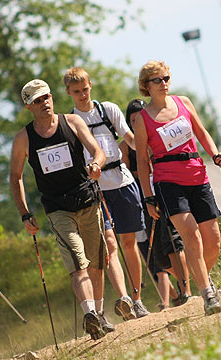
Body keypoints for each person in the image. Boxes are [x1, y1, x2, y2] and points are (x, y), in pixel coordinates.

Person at [11, 79, 111, 340]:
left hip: (87, 200)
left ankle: (99, 315)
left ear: (52, 97)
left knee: (97, 263)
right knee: (78, 264)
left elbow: (97, 151)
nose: (43, 103)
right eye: (37, 100)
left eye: (46, 97)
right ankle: (89, 313)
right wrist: (25, 212)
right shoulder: (24, 138)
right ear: (29, 107)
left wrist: (97, 166)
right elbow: (15, 177)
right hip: (57, 209)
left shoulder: (73, 122)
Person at [133, 60, 221, 316]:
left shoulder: (183, 102)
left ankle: (203, 279)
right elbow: (142, 160)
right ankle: (207, 293)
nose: (164, 83)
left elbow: (202, 131)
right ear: (146, 86)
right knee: (191, 235)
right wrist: (148, 196)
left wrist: (216, 154)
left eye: (166, 78)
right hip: (168, 181)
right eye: (157, 80)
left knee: (214, 240)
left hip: (197, 174)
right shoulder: (142, 119)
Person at [64, 68, 149, 319]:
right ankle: (124, 299)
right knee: (108, 244)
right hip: (95, 189)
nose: (82, 95)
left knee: (129, 242)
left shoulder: (108, 109)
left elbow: (129, 138)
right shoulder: (69, 121)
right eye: (76, 91)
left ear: (90, 85)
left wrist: (147, 155)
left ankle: (137, 299)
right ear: (68, 92)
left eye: (85, 89)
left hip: (121, 181)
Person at [122, 99, 191, 309]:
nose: (137, 124)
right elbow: (126, 172)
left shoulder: (155, 137)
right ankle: (183, 284)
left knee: (173, 241)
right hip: (142, 199)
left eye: (140, 119)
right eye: (133, 121)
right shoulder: (124, 146)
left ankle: (186, 289)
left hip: (163, 191)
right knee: (159, 256)